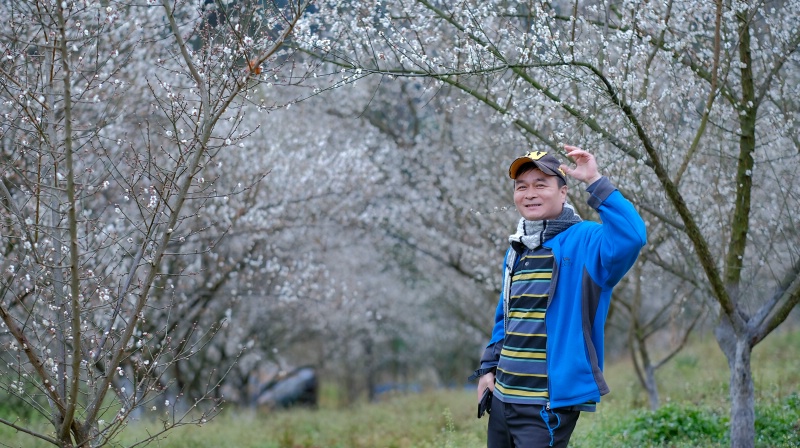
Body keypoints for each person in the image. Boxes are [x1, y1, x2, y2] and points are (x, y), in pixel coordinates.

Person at [470, 146, 647, 447]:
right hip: (502, 399)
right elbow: (506, 316)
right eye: (521, 187)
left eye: (541, 184)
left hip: (545, 407)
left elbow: (633, 236)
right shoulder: (517, 249)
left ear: (563, 192)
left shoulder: (586, 242)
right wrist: (488, 369)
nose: (530, 193)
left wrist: (595, 181)